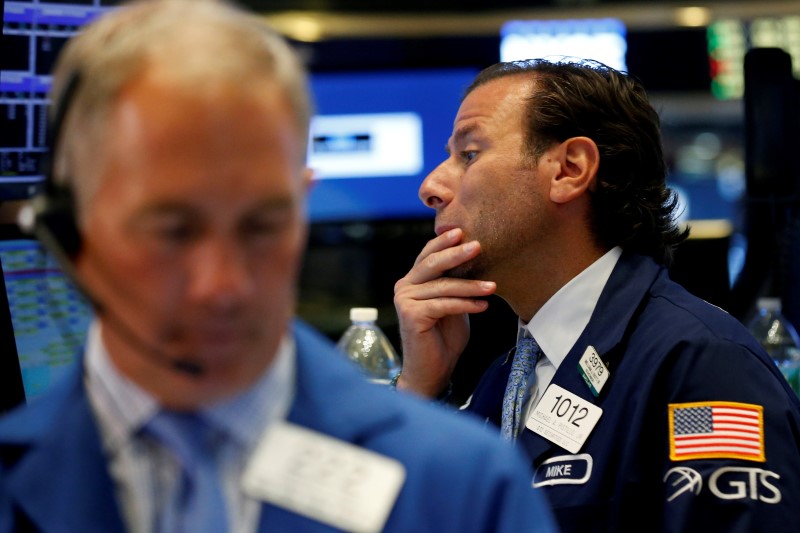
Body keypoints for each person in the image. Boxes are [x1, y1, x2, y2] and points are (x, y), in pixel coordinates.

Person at [0, 2, 560, 532]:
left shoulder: (461, 487)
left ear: (301, 202)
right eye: (172, 230)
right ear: (71, 231)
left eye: (261, 226)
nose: (222, 285)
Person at [393, 58, 800, 532]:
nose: (431, 188)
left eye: (469, 154)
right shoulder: (502, 380)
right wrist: (420, 393)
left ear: (570, 169)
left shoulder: (702, 365)